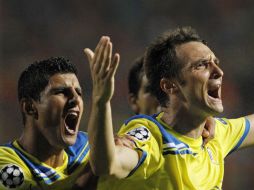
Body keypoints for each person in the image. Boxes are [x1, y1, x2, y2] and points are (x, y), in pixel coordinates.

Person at [84, 27, 254, 190]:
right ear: (170, 86)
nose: (219, 71)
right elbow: (107, 164)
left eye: (215, 63)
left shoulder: (215, 135)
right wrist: (101, 101)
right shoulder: (152, 137)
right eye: (201, 65)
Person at [0, 57, 133, 190]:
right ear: (30, 107)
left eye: (79, 92)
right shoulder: (7, 165)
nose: (75, 99)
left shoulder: (88, 146)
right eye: (61, 92)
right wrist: (98, 165)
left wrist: (108, 148)